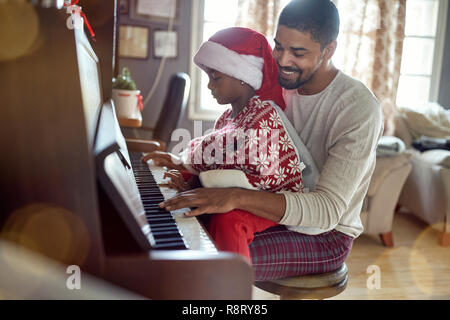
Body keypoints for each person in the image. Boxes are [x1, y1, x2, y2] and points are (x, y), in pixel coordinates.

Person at [151, 0, 384, 281]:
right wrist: (187, 168)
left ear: (329, 49)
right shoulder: (273, 83)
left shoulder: (357, 107)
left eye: (298, 52)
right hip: (268, 208)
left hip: (325, 235)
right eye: (279, 46)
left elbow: (326, 212)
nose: (283, 61)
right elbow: (238, 150)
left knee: (204, 256)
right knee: (186, 217)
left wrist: (234, 196)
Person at [143, 27, 319, 262]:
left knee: (229, 220)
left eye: (216, 78)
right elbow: (213, 154)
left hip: (271, 196)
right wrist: (182, 164)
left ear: (244, 77)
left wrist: (192, 173)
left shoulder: (264, 113)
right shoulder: (227, 117)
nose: (209, 86)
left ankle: (231, 287)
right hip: (242, 186)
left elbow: (250, 170)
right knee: (179, 181)